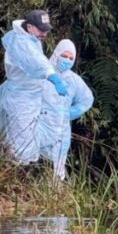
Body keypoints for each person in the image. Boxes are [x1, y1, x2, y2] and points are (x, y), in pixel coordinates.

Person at [0, 10, 67, 163]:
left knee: (29, 136)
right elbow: (36, 62)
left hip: (30, 97)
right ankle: (16, 174)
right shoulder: (21, 42)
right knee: (20, 139)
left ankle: (23, 171)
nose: (44, 33)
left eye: (46, 30)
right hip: (20, 99)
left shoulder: (32, 39)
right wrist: (52, 76)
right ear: (29, 27)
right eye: (41, 30)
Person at [36, 39, 94, 179]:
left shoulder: (73, 80)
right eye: (64, 56)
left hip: (61, 131)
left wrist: (70, 112)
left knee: (57, 170)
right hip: (39, 126)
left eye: (70, 58)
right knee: (33, 163)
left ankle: (53, 197)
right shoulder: (42, 73)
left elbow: (87, 99)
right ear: (57, 54)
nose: (67, 60)